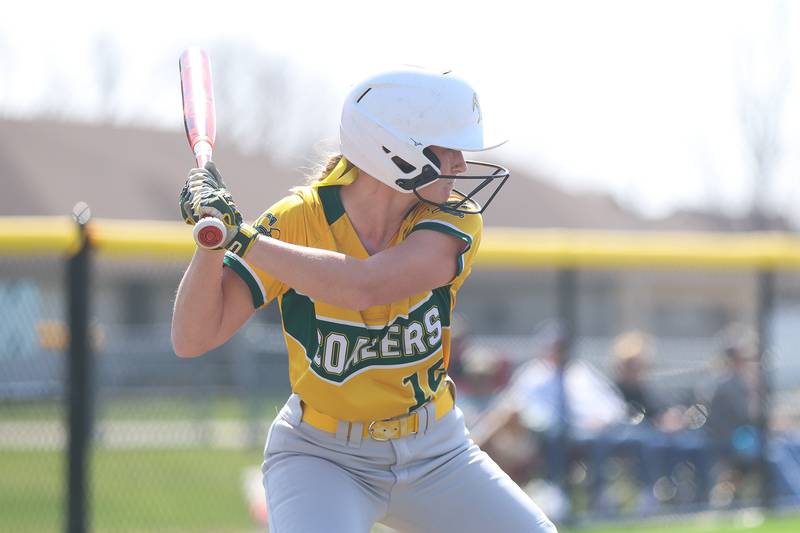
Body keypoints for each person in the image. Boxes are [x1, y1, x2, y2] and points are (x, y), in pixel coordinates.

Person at [172, 67, 557, 533]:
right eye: (445, 147)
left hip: (435, 449)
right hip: (321, 456)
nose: (458, 163)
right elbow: (192, 338)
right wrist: (211, 243)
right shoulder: (298, 220)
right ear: (393, 150)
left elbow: (364, 285)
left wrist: (242, 238)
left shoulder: (454, 218)